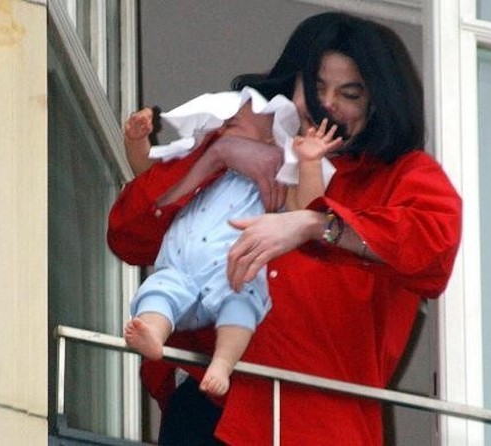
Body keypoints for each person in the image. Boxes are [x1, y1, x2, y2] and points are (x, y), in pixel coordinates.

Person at [108, 11, 462, 445]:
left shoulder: (400, 177)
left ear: (376, 103)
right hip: (213, 410)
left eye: (349, 93)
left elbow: (432, 247)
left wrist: (314, 225)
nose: (327, 104)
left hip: (316, 425)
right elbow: (128, 235)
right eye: (316, 87)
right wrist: (219, 157)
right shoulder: (247, 142)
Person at [122, 86, 343, 397]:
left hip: (234, 272)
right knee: (158, 290)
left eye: (237, 118)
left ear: (271, 135)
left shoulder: (280, 175)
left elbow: (305, 208)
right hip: (179, 269)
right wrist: (136, 141)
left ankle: (222, 365)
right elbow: (148, 176)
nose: (225, 124)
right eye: (222, 122)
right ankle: (153, 336)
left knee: (243, 302)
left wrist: (307, 162)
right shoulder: (204, 168)